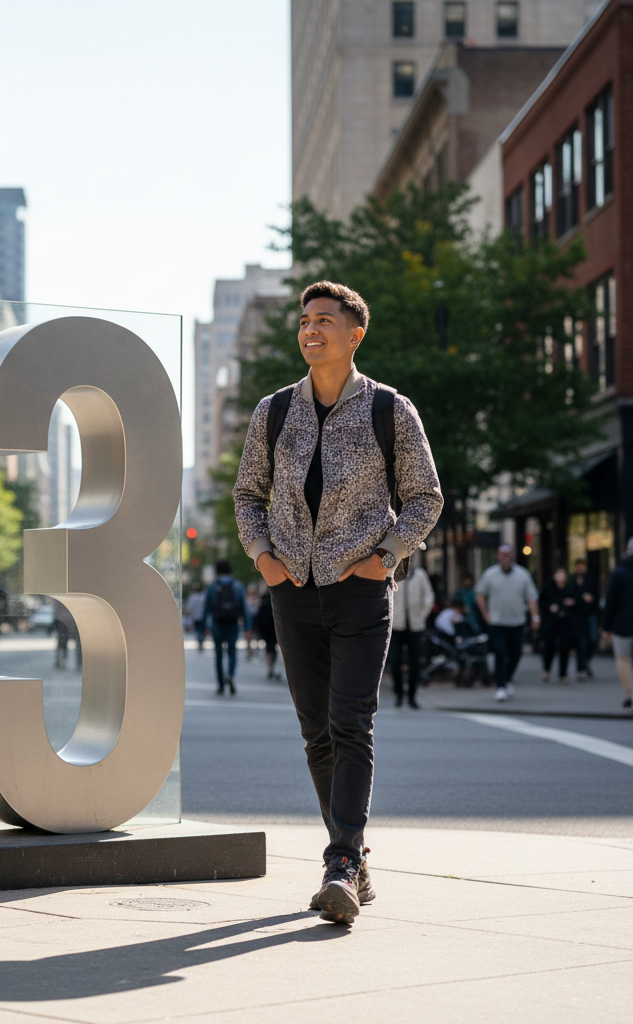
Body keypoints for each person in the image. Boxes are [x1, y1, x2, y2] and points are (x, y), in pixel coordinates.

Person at [233, 280, 442, 924]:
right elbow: (247, 496)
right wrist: (265, 560)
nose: (310, 329)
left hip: (359, 592)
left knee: (351, 723)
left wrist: (383, 559)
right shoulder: (273, 412)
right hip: (293, 593)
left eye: (325, 320)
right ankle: (350, 853)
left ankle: (343, 862)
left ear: (356, 334)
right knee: (316, 732)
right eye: (304, 321)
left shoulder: (389, 409)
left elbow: (425, 497)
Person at [475, 545, 539, 703]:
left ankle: (507, 679)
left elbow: (531, 598)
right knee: (500, 653)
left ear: (513, 556)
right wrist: (486, 616)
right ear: (498, 556)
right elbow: (480, 596)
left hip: (517, 622)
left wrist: (535, 617)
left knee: (516, 654)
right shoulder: (490, 574)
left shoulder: (523, 575)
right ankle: (501, 686)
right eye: (502, 555)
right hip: (497, 623)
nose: (505, 558)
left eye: (508, 555)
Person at [389, 561, 434, 709]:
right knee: (395, 663)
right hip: (396, 626)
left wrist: (422, 615)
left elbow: (428, 596)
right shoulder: (393, 572)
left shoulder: (420, 575)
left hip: (415, 626)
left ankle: (412, 696)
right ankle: (399, 694)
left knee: (415, 663)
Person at [204, 560, 249, 696]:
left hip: (217, 624)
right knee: (232, 652)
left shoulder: (213, 586)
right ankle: (230, 674)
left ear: (217, 571)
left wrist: (204, 627)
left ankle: (220, 685)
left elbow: (207, 607)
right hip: (233, 623)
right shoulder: (238, 585)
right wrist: (248, 627)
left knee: (218, 655)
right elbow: (244, 607)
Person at [601, 539, 633, 711]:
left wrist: (606, 626)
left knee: (623, 659)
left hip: (622, 626)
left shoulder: (619, 573)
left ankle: (629, 694)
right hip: (622, 625)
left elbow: (610, 602)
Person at [539, 567, 577, 684]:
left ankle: (563, 674)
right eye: (558, 574)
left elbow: (577, 603)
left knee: (564, 646)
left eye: (562, 574)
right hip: (551, 621)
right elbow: (541, 602)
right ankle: (546, 668)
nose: (560, 577)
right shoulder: (548, 588)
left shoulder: (569, 588)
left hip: (565, 621)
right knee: (550, 645)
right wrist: (550, 607)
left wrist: (571, 603)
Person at [570, 558, 598, 680]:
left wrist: (591, 599)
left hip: (589, 613)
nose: (580, 568)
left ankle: (587, 661)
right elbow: (570, 595)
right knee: (580, 642)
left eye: (582, 566)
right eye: (579, 566)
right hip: (577, 615)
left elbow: (596, 595)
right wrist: (581, 596)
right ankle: (581, 669)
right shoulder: (572, 580)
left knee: (593, 639)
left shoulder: (590, 578)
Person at [253, 586, 281, 681]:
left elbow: (259, 617)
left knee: (268, 649)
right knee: (273, 649)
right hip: (275, 629)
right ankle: (271, 666)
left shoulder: (264, 603)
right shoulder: (277, 602)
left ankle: (270, 668)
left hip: (266, 630)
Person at [185, 586, 207, 651]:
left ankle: (199, 639)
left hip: (195, 616)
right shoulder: (204, 596)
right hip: (203, 616)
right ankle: (201, 640)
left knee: (198, 630)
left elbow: (189, 607)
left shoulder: (192, 597)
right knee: (202, 629)